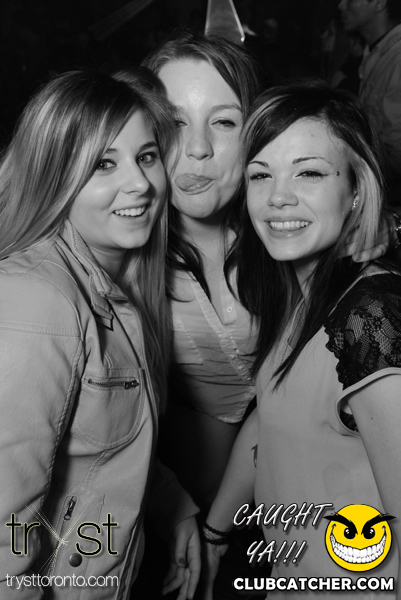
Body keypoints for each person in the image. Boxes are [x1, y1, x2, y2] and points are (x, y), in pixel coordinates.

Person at [0, 67, 200, 599]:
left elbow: (95, 441)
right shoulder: (37, 301)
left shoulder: (111, 286)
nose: (140, 183)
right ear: (55, 176)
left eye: (147, 157)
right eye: (103, 164)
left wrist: (172, 503)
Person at [202, 81, 401, 599]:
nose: (278, 197)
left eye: (309, 172)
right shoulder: (302, 296)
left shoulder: (370, 316)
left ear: (357, 189)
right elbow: (270, 421)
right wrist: (216, 530)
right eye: (260, 175)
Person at [339, 0, 401, 205]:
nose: (341, 5)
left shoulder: (397, 57)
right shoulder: (376, 51)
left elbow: (397, 153)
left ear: (379, 3)